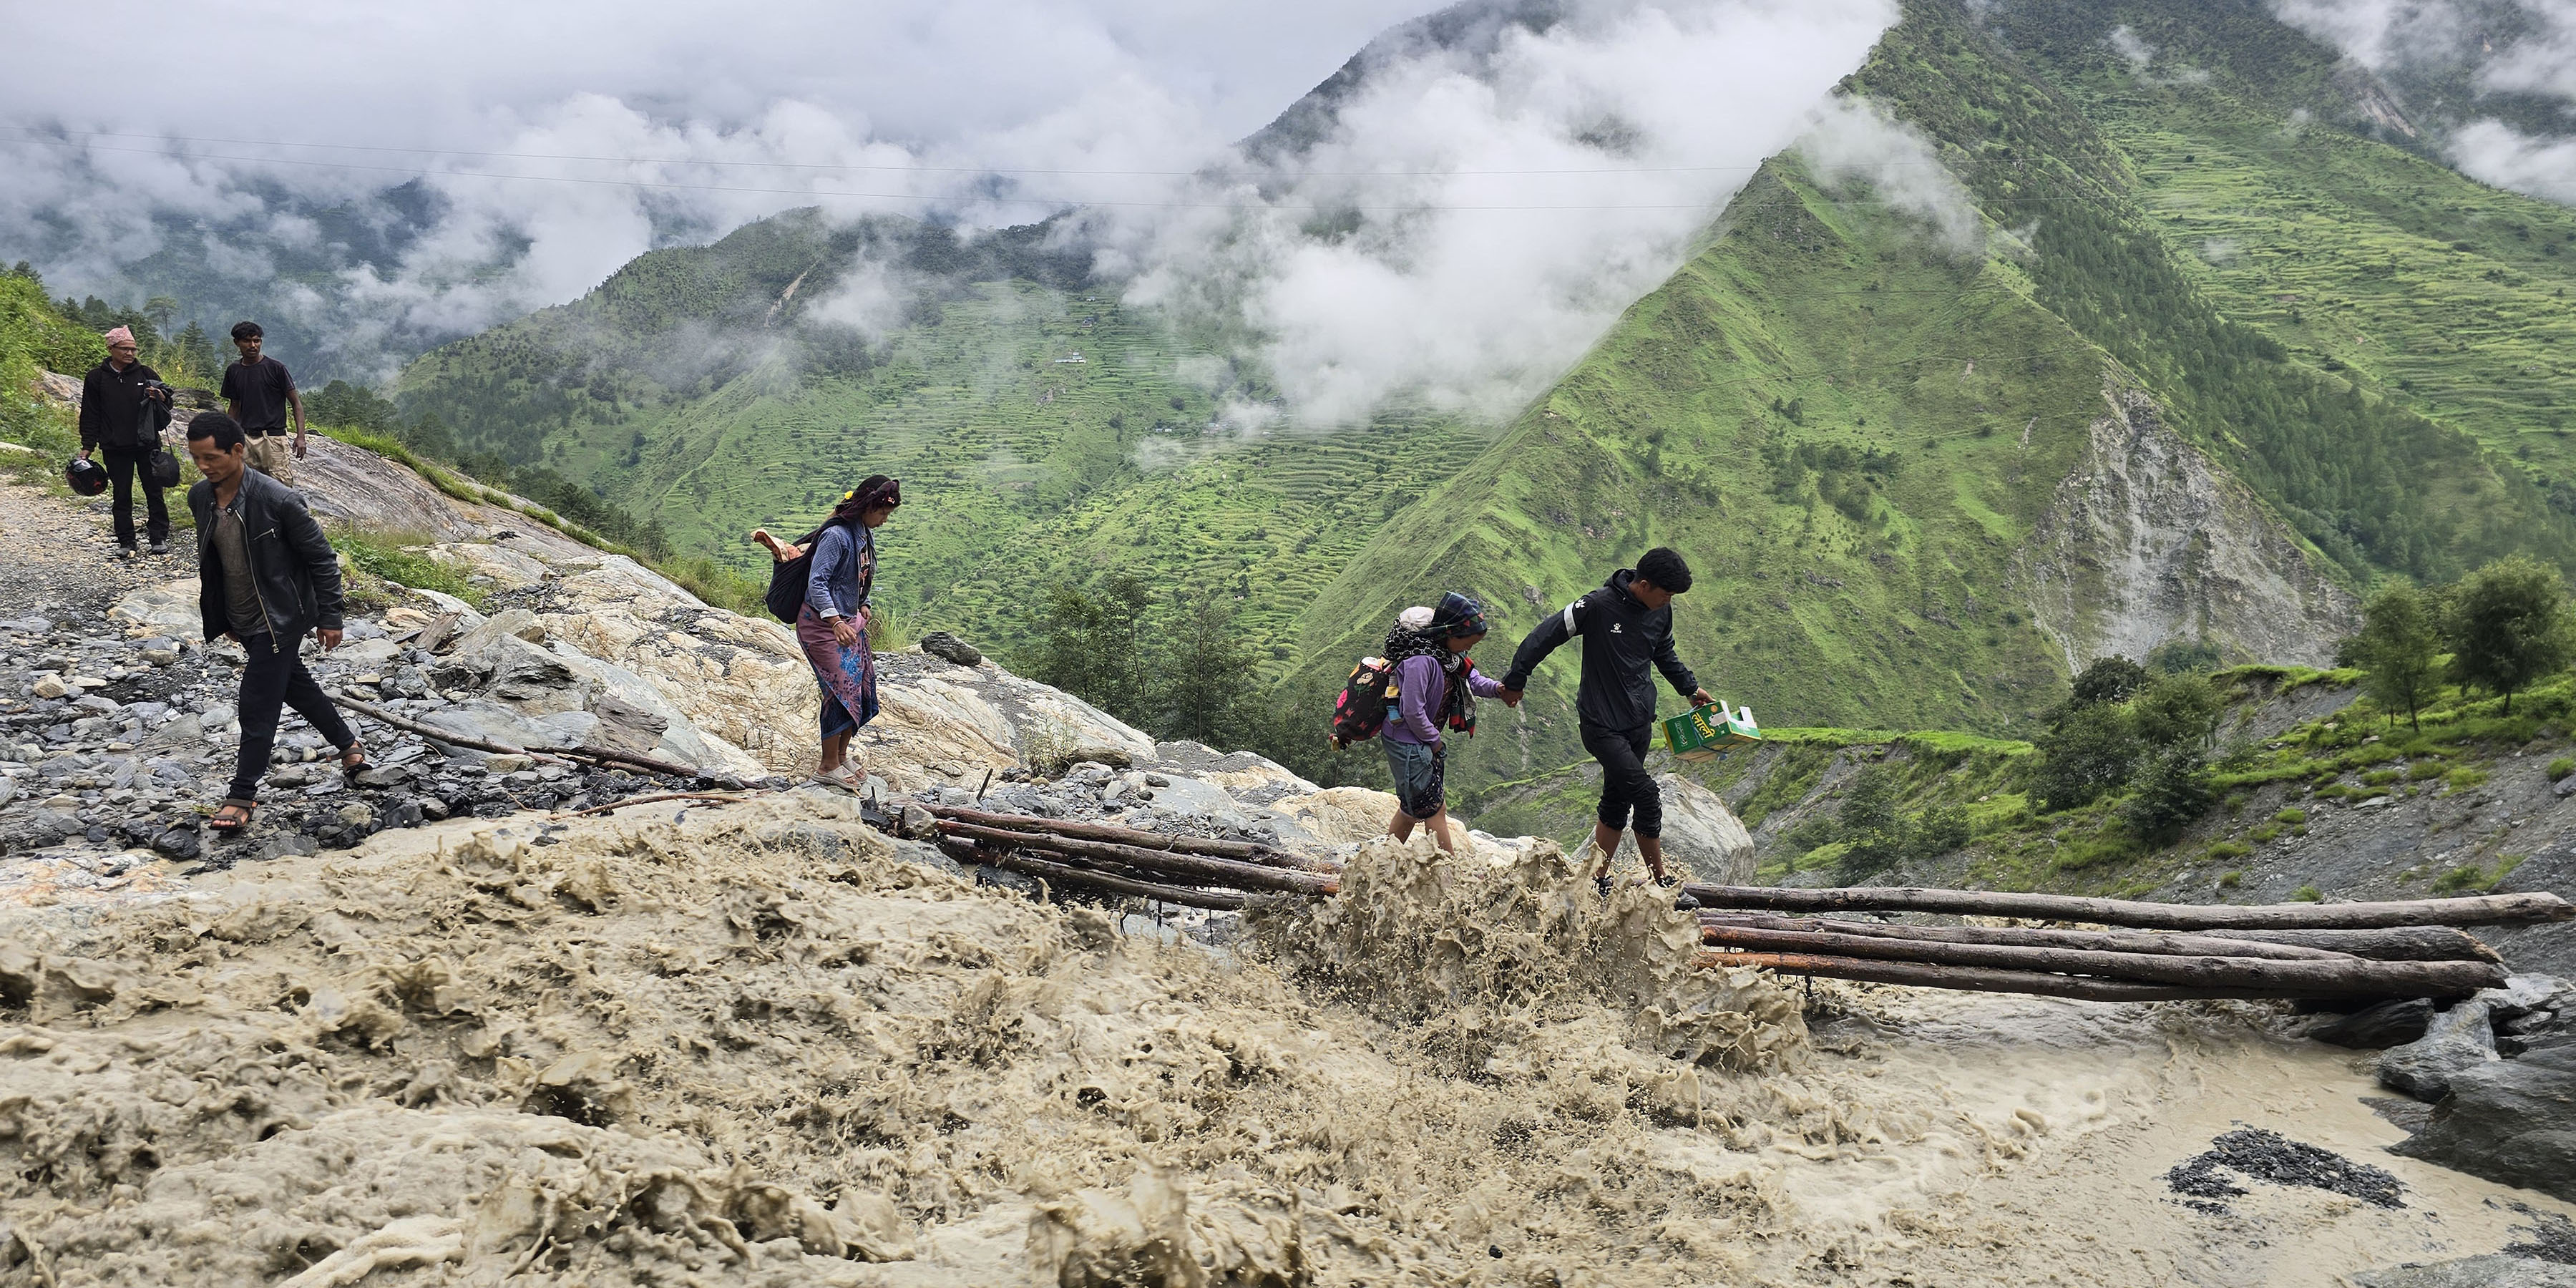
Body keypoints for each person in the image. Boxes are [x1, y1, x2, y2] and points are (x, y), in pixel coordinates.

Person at [182, 413, 368, 834]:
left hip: (281, 618)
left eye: (211, 457)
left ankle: (241, 793)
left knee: (258, 699)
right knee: (294, 686)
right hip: (243, 615)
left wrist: (330, 615)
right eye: (196, 458)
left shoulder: (277, 499)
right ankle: (348, 745)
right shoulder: (200, 498)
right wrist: (224, 614)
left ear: (236, 450)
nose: (204, 466)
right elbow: (215, 563)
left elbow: (321, 558)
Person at [1498, 547, 1714, 897]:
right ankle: (1662, 881)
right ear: (1643, 585)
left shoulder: (1661, 612)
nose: (1669, 601)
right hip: (1601, 724)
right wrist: (1516, 681)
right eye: (1666, 594)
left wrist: (1690, 689)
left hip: (1639, 720)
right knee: (1646, 796)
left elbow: (1664, 652)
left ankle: (1595, 879)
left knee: (1616, 802)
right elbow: (1543, 636)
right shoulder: (1596, 606)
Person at [791, 476, 902, 789]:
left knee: (858, 688)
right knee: (838, 693)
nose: (884, 520)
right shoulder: (837, 536)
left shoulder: (863, 534)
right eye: (882, 513)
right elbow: (818, 583)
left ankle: (841, 756)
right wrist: (836, 622)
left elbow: (857, 575)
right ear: (867, 507)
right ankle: (827, 767)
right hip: (822, 627)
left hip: (848, 624)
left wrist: (862, 603)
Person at [1381, 592, 1511, 854]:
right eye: (1467, 643)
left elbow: (1474, 680)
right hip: (1407, 742)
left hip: (1418, 741)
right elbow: (1412, 711)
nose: (1469, 650)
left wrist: (1499, 690)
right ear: (1450, 634)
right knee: (1434, 809)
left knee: (1411, 810)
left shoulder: (1448, 656)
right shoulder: (1421, 661)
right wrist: (1436, 742)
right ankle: (1447, 871)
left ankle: (1381, 860)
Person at [77, 326, 174, 557]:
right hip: (115, 447)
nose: (130, 354)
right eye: (125, 349)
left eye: (133, 349)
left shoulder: (146, 373)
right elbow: (90, 413)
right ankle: (126, 540)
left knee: (154, 491)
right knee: (121, 494)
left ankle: (158, 537)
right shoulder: (96, 378)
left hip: (147, 444)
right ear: (111, 349)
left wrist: (161, 397)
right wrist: (87, 445)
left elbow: (167, 403)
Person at [220, 321, 308, 486]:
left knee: (281, 487)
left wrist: (300, 437)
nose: (253, 345)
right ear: (237, 343)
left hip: (273, 439)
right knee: (246, 487)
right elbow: (234, 406)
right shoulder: (234, 370)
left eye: (257, 340)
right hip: (245, 438)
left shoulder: (276, 368)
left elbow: (296, 403)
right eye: (247, 341)